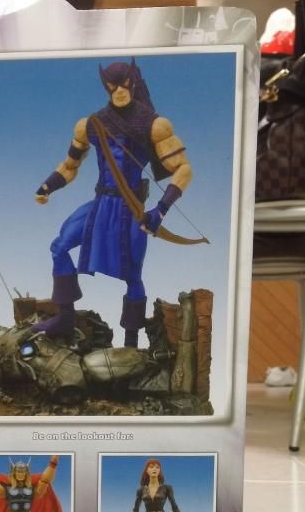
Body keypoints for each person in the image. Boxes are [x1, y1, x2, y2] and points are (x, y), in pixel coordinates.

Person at [34, 58, 193, 347]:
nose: (119, 90)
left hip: (130, 210)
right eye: (112, 85)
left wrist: (160, 210)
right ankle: (65, 317)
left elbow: (183, 169)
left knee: (133, 275)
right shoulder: (90, 125)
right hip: (100, 205)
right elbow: (70, 165)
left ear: (132, 83)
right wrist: (48, 186)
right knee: (59, 246)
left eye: (124, 84)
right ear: (105, 86)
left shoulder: (154, 125)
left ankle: (131, 342)